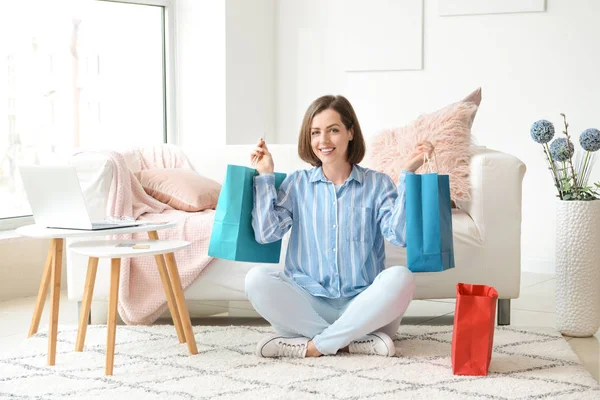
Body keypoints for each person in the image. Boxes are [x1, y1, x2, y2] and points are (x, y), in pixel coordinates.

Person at [245, 95, 434, 358]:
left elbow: (400, 235)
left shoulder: (377, 184)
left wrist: (408, 174)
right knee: (257, 279)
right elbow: (266, 234)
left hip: (364, 307)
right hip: (309, 307)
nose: (323, 141)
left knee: (401, 277)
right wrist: (266, 175)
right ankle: (350, 342)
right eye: (316, 133)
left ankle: (314, 346)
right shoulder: (297, 184)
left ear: (350, 132)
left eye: (333, 130)